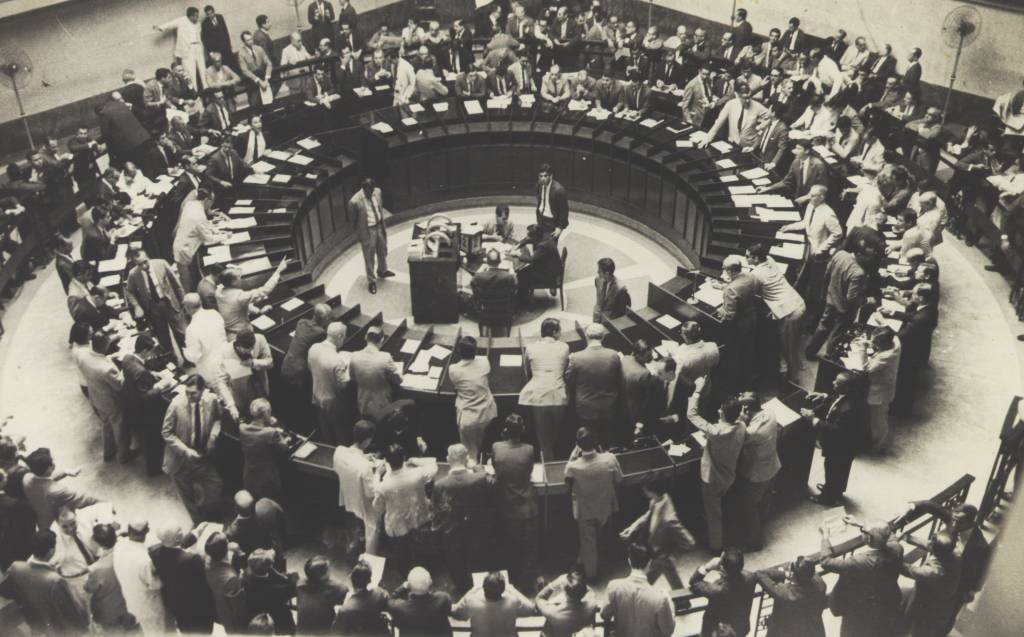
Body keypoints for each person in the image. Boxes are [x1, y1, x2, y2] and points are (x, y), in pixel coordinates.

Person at [820, 522, 904, 637]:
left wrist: (825, 536)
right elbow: (889, 535)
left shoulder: (859, 561)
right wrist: (859, 524)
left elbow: (826, 562)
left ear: (868, 538)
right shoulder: (897, 548)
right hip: (887, 600)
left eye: (864, 532)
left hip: (862, 609)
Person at [0, 530, 91, 635]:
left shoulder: (16, 567)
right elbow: (72, 612)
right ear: (52, 551)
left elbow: (5, 590)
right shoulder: (55, 580)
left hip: (36, 625)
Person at [162, 374, 224, 523]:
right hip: (180, 459)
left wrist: (213, 437)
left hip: (202, 456)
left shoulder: (212, 400)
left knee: (216, 485)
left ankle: (210, 516)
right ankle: (198, 522)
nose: (189, 396)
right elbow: (166, 432)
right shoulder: (176, 405)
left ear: (203, 391)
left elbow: (218, 419)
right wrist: (185, 450)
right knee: (187, 494)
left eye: (193, 393)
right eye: (187, 392)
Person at [431, 443, 492, 596]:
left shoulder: (440, 484)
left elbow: (437, 511)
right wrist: (476, 466)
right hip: (476, 530)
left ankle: (461, 590)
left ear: (448, 459)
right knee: (477, 563)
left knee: (456, 565)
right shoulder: (479, 479)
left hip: (452, 533)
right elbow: (489, 478)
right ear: (466, 459)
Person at [564, 427, 622, 580]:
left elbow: (566, 477)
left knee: (589, 542)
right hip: (606, 508)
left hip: (586, 512)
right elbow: (619, 479)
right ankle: (582, 560)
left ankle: (592, 576)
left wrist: (573, 454)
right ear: (597, 443)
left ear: (578, 445)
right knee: (598, 536)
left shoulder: (573, 466)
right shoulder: (610, 458)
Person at [781, 184, 842, 323]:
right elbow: (805, 223)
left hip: (820, 256)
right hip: (808, 250)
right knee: (803, 279)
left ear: (822, 197)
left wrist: (823, 247)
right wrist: (789, 227)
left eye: (814, 195)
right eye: (810, 194)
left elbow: (837, 233)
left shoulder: (828, 213)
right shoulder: (810, 206)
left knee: (817, 287)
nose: (810, 197)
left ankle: (814, 317)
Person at [491, 414, 539, 590]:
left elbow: (496, 469)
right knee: (530, 548)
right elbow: (529, 469)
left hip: (507, 507)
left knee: (511, 546)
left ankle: (512, 582)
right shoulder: (529, 449)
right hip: (528, 507)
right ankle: (527, 583)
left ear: (505, 430)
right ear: (523, 430)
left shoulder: (496, 447)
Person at [801, 372, 863, 505]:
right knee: (840, 470)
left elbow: (837, 430)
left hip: (840, 446)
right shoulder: (850, 395)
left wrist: (814, 420)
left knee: (832, 469)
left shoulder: (848, 410)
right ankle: (835, 490)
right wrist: (823, 396)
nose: (833, 383)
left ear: (846, 388)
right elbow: (837, 399)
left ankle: (827, 497)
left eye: (837, 383)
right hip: (846, 446)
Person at [745, 243, 806, 379]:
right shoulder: (770, 259)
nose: (745, 259)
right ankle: (798, 363)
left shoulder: (756, 274)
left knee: (786, 347)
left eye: (747, 256)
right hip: (797, 301)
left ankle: (792, 378)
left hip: (790, 311)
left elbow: (748, 292)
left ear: (755, 258)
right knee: (793, 340)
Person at [374, 445, 437, 575]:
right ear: (403, 458)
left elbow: (377, 507)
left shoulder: (383, 485)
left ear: (387, 461)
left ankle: (405, 575)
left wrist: (376, 475)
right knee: (421, 549)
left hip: (397, 524)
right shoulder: (417, 474)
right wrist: (416, 461)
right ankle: (424, 571)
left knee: (402, 554)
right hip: (418, 516)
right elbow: (434, 467)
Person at [620, 477, 694, 588]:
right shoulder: (659, 499)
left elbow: (689, 542)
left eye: (646, 490)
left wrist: (672, 554)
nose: (644, 492)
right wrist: (632, 528)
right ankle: (682, 601)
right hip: (657, 552)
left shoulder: (669, 518)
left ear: (653, 491)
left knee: (647, 581)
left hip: (660, 553)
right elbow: (649, 515)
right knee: (670, 578)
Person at [695, 398, 746, 553]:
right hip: (728, 476)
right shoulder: (742, 426)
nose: (718, 411)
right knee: (718, 508)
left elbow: (692, 415)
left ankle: (716, 547)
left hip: (712, 479)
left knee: (713, 515)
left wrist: (696, 392)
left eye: (721, 410)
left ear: (724, 414)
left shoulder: (716, 432)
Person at [805, 242, 870, 361]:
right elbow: (852, 297)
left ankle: (810, 352)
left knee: (823, 326)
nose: (869, 259)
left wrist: (824, 293)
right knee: (837, 333)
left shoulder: (840, 254)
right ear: (860, 254)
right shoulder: (858, 272)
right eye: (868, 256)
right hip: (844, 308)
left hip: (830, 299)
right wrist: (865, 300)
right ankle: (829, 357)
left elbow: (827, 274)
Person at [149, 524, 216, 634]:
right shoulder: (193, 559)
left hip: (176, 605)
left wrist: (195, 534)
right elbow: (204, 588)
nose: (182, 530)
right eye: (179, 529)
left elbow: (173, 547)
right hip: (196, 608)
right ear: (176, 538)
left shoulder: (153, 553)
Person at [519, 318, 570, 460]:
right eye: (559, 329)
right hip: (558, 395)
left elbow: (527, 370)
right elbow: (565, 369)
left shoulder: (530, 347)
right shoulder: (564, 347)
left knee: (543, 436)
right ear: (554, 332)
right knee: (556, 432)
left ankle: (548, 461)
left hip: (538, 396)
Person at [76, 331, 129, 463]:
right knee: (119, 427)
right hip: (110, 402)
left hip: (95, 396)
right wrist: (123, 371)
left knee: (106, 425)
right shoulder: (106, 369)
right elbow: (120, 385)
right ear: (105, 346)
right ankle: (124, 456)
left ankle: (109, 451)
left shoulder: (83, 356)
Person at [601, 543, 675, 637]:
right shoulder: (660, 597)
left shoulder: (613, 586)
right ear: (649, 563)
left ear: (629, 561)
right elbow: (668, 630)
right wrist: (670, 604)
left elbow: (604, 615)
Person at [736, 394, 780, 551]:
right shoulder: (770, 413)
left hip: (758, 475)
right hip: (773, 466)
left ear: (746, 410)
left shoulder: (752, 432)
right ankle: (763, 523)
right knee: (764, 501)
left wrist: (741, 420)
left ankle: (754, 542)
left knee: (750, 506)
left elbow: (738, 438)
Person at [566, 323, 622, 446]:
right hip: (609, 406)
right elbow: (619, 379)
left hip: (586, 408)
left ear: (586, 336)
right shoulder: (614, 355)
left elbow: (569, 380)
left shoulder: (576, 358)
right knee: (607, 440)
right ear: (603, 337)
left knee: (588, 442)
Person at [899, 531, 961, 637]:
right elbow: (929, 545)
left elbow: (908, 569)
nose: (929, 543)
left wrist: (891, 555)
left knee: (919, 629)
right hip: (941, 598)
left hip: (927, 606)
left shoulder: (932, 572)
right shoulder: (952, 554)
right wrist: (907, 537)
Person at [21, 449, 99, 533]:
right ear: (49, 469)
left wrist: (65, 472)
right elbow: (84, 499)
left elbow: (43, 480)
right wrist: (106, 503)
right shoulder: (58, 491)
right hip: (57, 526)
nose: (54, 461)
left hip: (41, 522)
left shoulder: (27, 478)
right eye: (52, 460)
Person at [125, 247, 186, 353]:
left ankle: (188, 358)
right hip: (153, 308)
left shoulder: (161, 264)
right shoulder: (133, 274)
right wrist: (136, 305)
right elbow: (129, 291)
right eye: (140, 264)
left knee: (181, 333)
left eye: (145, 262)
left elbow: (176, 283)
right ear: (135, 264)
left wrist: (183, 300)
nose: (144, 266)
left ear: (148, 257)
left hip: (169, 303)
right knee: (163, 338)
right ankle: (172, 362)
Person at [332, 420, 380, 555]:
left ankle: (357, 538)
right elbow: (371, 492)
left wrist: (364, 457)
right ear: (368, 440)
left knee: (357, 521)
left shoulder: (339, 451)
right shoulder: (365, 467)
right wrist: (377, 473)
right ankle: (370, 554)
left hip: (348, 496)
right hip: (363, 502)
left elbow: (343, 466)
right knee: (372, 528)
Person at [851, 326, 901, 453]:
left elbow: (866, 368)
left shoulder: (884, 358)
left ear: (883, 344)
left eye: (875, 342)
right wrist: (870, 342)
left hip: (880, 392)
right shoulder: (895, 341)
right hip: (886, 385)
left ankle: (877, 445)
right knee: (879, 416)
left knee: (878, 419)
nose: (873, 344)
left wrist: (863, 348)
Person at [449, 336, 498, 461]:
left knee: (470, 453)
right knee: (480, 443)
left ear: (459, 352)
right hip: (487, 413)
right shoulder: (484, 362)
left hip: (468, 418)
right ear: (475, 351)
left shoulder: (454, 369)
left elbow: (456, 386)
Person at [113, 520, 167, 635]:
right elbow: (155, 584)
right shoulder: (145, 560)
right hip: (149, 607)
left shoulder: (118, 546)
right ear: (147, 531)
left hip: (131, 602)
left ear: (128, 531)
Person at [689, 548, 756, 637]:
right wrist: (726, 571)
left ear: (722, 568)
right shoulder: (751, 577)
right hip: (740, 629)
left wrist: (707, 567)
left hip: (718, 633)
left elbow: (694, 581)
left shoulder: (717, 590)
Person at [215, 258, 289, 336]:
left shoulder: (218, 291)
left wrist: (258, 311)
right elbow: (264, 291)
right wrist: (278, 271)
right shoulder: (239, 296)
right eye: (239, 277)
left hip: (228, 332)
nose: (241, 279)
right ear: (233, 282)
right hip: (242, 334)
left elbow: (240, 305)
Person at [755, 556, 827, 637]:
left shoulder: (786, 593)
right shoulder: (821, 585)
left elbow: (760, 573)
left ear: (794, 575)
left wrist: (784, 574)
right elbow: (810, 572)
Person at [451, 571, 536, 636]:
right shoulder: (513, 601)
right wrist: (513, 590)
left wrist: (471, 591)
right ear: (503, 589)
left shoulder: (471, 600)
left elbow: (455, 613)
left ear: (483, 588)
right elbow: (532, 609)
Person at [173, 188, 227, 292]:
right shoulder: (199, 215)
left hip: (181, 244)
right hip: (185, 250)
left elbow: (202, 225)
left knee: (191, 275)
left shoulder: (191, 204)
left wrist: (213, 228)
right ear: (206, 200)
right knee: (187, 283)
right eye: (212, 202)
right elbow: (209, 239)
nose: (211, 205)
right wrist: (225, 236)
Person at [307, 321, 352, 445]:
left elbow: (311, 368)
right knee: (340, 433)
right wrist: (346, 367)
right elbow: (344, 385)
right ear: (339, 336)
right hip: (334, 403)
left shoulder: (313, 348)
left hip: (317, 396)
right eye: (344, 335)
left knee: (326, 430)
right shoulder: (337, 360)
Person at [84, 523, 134, 631]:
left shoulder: (96, 569)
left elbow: (88, 591)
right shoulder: (126, 552)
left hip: (109, 613)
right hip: (128, 606)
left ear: (98, 543)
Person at [214, 329, 273, 420]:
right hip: (241, 392)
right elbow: (221, 382)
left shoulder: (260, 339)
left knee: (264, 409)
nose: (251, 352)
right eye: (247, 350)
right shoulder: (224, 353)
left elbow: (270, 363)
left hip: (261, 385)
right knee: (247, 415)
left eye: (252, 348)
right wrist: (231, 405)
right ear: (238, 346)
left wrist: (254, 362)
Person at [717, 255, 759, 387]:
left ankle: (735, 383)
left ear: (729, 271)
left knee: (736, 355)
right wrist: (722, 287)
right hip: (752, 319)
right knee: (748, 351)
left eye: (724, 269)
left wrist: (721, 309)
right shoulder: (750, 276)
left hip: (739, 327)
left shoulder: (731, 289)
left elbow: (729, 316)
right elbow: (741, 288)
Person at [240, 399, 290, 501]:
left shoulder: (242, 428)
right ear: (267, 413)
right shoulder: (270, 433)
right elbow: (284, 448)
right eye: (270, 411)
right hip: (267, 481)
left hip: (249, 478)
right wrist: (275, 427)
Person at [350, 178, 394, 294]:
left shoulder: (377, 192)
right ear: (364, 189)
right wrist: (360, 234)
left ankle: (382, 271)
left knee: (382, 250)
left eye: (372, 191)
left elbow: (380, 207)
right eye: (369, 192)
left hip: (379, 226)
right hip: (367, 230)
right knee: (369, 257)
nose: (371, 194)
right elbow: (353, 220)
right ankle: (371, 281)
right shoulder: (355, 201)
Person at [350, 326, 402, 420]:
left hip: (362, 404)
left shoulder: (354, 356)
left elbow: (353, 378)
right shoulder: (385, 357)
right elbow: (399, 379)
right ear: (382, 339)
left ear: (365, 337)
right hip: (382, 404)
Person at [242, 548, 298, 634]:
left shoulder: (247, 572)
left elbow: (272, 574)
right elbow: (293, 590)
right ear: (268, 567)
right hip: (275, 617)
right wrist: (293, 579)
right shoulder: (275, 591)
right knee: (288, 624)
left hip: (256, 609)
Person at [386, 566, 454, 636]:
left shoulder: (399, 607)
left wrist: (403, 587)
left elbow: (389, 600)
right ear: (430, 582)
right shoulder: (443, 599)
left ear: (409, 585)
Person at [332, 560, 390, 635]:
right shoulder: (381, 593)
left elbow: (336, 631)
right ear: (369, 581)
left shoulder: (345, 610)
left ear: (351, 578)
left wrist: (345, 605)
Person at [154, 7, 206, 89]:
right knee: (190, 72)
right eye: (195, 16)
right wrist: (160, 27)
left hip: (198, 47)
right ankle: (195, 93)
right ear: (190, 16)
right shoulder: (182, 20)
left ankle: (207, 90)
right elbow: (170, 24)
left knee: (203, 70)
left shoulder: (198, 24)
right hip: (187, 49)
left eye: (197, 16)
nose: (196, 18)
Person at [700, 85, 768, 148]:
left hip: (749, 145)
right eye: (744, 98)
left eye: (749, 97)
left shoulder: (756, 105)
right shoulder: (730, 104)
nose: (747, 101)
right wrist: (708, 138)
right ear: (738, 95)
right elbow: (718, 122)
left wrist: (760, 128)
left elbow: (771, 118)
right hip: (733, 143)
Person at [204, 532, 245, 633]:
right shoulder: (231, 579)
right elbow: (238, 607)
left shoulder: (207, 560)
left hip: (221, 609)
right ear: (226, 548)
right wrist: (239, 552)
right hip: (233, 615)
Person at [760, 139, 829, 199]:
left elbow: (822, 189)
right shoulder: (796, 162)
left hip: (813, 200)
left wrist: (805, 198)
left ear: (807, 151)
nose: (794, 151)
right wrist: (768, 188)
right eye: (795, 148)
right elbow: (786, 181)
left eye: (799, 149)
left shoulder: (819, 165)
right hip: (797, 198)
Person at [297, 555, 348, 635]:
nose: (330, 571)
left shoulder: (299, 585)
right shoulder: (334, 589)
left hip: (302, 631)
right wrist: (329, 581)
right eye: (328, 570)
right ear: (322, 577)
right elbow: (344, 589)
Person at [516, 224, 562, 304]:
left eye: (529, 236)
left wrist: (518, 255)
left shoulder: (543, 246)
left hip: (548, 275)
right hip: (549, 268)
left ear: (535, 237)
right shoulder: (543, 236)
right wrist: (519, 244)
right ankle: (524, 293)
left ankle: (522, 299)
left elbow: (531, 259)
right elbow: (528, 239)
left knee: (521, 274)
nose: (528, 237)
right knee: (523, 271)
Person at [0, 468, 35, 571]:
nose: (7, 476)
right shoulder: (16, 504)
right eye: (4, 476)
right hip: (19, 548)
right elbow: (29, 526)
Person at [238, 30, 274, 107]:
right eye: (248, 40)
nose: (251, 41)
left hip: (263, 78)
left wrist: (266, 79)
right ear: (244, 42)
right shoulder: (241, 54)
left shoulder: (259, 49)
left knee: (268, 103)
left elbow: (269, 63)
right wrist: (258, 81)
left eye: (251, 39)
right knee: (255, 104)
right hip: (251, 82)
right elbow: (245, 70)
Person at [535, 164, 569, 237]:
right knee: (537, 243)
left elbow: (564, 211)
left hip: (552, 222)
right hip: (541, 219)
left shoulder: (559, 190)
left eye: (545, 176)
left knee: (548, 246)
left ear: (551, 176)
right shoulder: (539, 185)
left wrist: (560, 228)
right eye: (540, 176)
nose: (543, 178)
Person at [593, 257, 629, 322]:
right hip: (597, 318)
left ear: (606, 273)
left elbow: (623, 312)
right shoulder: (597, 280)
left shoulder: (620, 289)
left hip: (610, 323)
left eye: (599, 270)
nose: (597, 272)